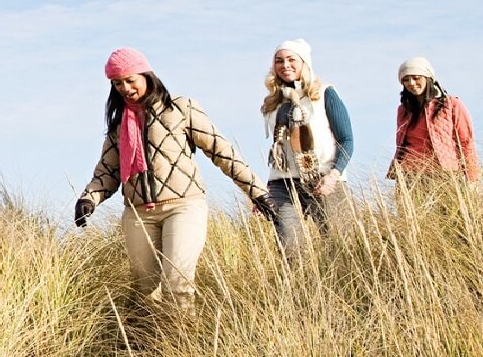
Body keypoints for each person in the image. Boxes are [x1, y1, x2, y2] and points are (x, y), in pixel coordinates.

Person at [74, 47, 274, 303]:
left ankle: (186, 339)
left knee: (177, 283)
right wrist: (88, 199)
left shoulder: (181, 109)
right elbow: (108, 170)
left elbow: (222, 151)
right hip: (138, 214)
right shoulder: (118, 126)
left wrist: (257, 193)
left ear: (146, 75)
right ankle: (157, 342)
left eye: (130, 80)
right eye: (117, 83)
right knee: (145, 293)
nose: (125, 87)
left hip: (183, 207)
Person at [259, 39, 354, 256]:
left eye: (292, 59)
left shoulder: (324, 94)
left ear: (304, 62)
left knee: (339, 246)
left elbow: (346, 139)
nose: (285, 65)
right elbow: (278, 149)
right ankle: (297, 289)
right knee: (290, 248)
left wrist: (333, 176)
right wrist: (265, 191)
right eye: (279, 61)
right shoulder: (273, 103)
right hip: (282, 184)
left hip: (322, 178)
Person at [387, 56, 481, 184]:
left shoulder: (452, 104)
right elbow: (400, 145)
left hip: (445, 174)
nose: (411, 83)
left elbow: (466, 142)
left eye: (416, 78)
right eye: (406, 80)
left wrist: (472, 178)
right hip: (409, 175)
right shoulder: (403, 110)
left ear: (428, 77)